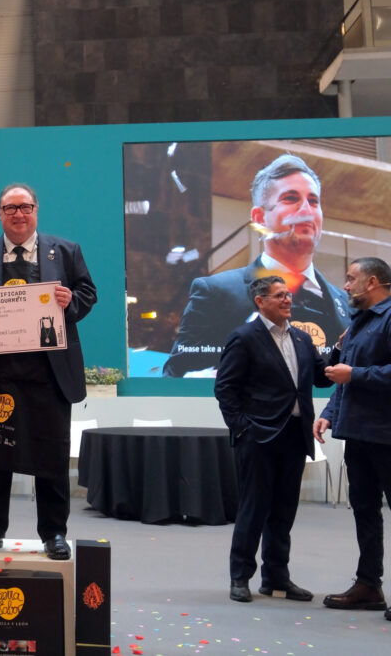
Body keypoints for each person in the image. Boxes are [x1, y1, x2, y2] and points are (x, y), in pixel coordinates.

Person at [0, 182, 97, 560]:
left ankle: (54, 533)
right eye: (10, 208)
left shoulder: (66, 251)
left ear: (36, 211)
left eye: (25, 207)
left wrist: (70, 300)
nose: (18, 214)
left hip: (48, 375)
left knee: (52, 456)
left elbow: (87, 293)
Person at [165, 153, 351, 377]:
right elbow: (177, 376)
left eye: (313, 201)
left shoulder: (349, 305)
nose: (306, 210)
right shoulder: (214, 293)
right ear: (259, 218)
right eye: (291, 198)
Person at [214, 276, 332, 603]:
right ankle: (240, 577)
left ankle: (276, 578)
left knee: (284, 511)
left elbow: (322, 378)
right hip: (258, 437)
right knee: (254, 509)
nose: (287, 300)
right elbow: (225, 389)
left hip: (295, 435)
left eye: (288, 294)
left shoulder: (301, 338)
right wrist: (242, 428)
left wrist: (338, 351)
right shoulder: (244, 337)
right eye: (279, 295)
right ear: (260, 301)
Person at [314, 257, 391, 617]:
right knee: (364, 510)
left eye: (350, 278)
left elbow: (353, 374)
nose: (345, 286)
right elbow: (344, 376)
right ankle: (369, 585)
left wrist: (356, 374)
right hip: (359, 434)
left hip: (387, 434)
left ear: (372, 281)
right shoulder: (359, 322)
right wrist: (329, 413)